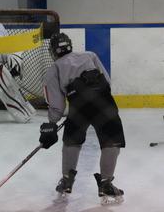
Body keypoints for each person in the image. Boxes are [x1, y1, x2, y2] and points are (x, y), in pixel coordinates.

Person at [39, 33, 125, 205]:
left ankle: (66, 181)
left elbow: (56, 103)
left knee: (72, 141)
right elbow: (106, 81)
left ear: (53, 51)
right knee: (111, 141)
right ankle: (106, 183)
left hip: (79, 105)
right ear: (70, 45)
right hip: (104, 101)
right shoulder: (89, 55)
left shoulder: (54, 68)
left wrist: (52, 123)